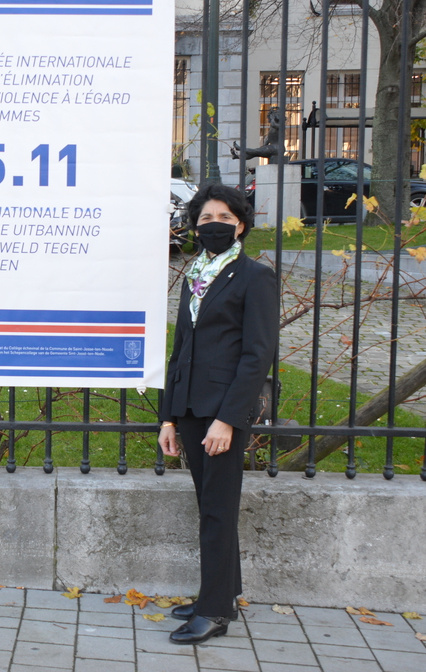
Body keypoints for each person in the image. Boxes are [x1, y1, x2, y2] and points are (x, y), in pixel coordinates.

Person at [158, 182, 279, 644]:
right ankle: (222, 592)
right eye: (205, 219)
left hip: (223, 413)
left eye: (223, 219)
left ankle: (214, 612)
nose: (213, 226)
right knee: (210, 505)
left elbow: (257, 354)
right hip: (189, 407)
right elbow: (181, 348)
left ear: (241, 225)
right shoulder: (195, 274)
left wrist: (229, 419)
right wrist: (169, 417)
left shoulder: (254, 277)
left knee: (218, 512)